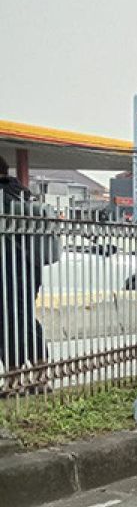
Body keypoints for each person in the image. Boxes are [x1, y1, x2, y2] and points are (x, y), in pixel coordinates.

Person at [0, 156, 54, 394]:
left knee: (8, 322)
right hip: (28, 268)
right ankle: (40, 374)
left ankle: (14, 376)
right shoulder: (22, 193)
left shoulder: (3, 196)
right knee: (24, 318)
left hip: (7, 267)